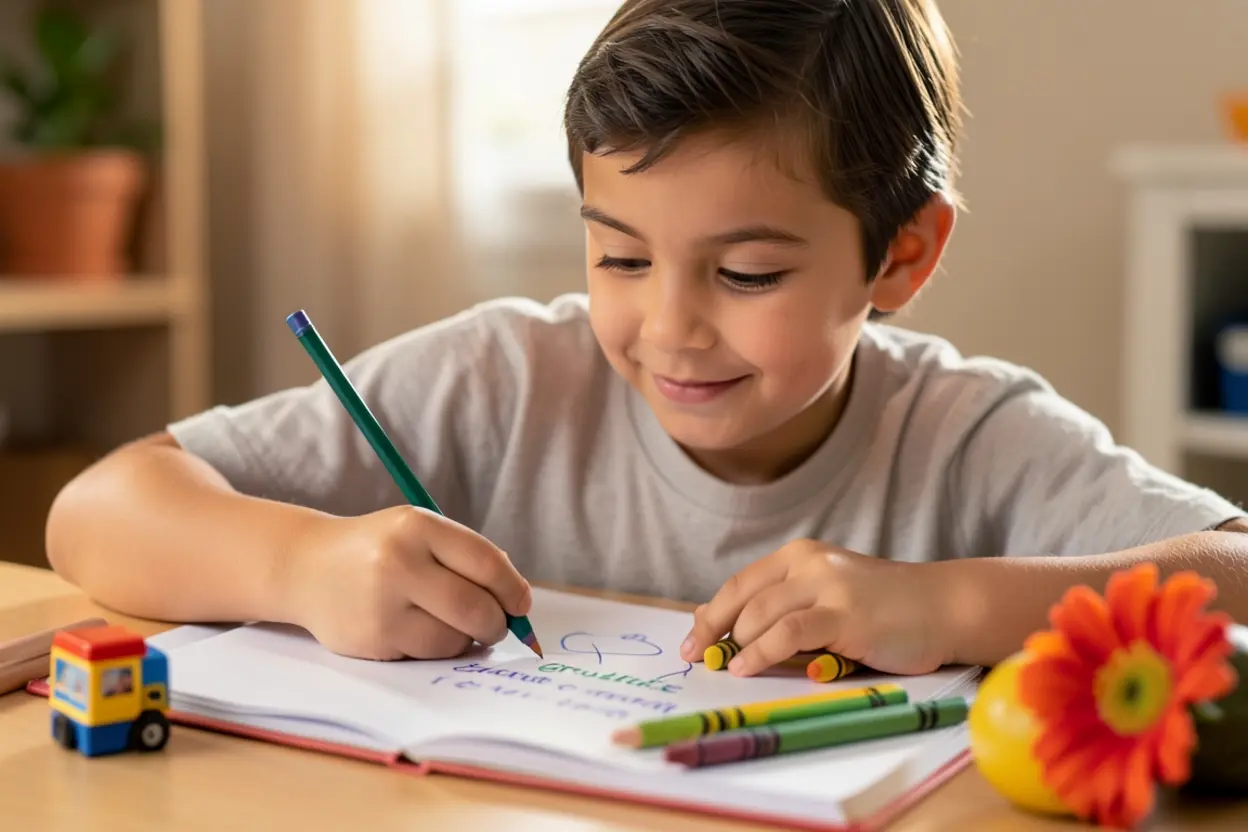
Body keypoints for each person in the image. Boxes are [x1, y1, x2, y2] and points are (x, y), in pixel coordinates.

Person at [45, 0, 1247, 678]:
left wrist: (953, 606)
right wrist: (299, 566)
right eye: (620, 257)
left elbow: (1234, 567)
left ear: (902, 255)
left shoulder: (970, 436)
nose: (668, 326)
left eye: (747, 272)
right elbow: (99, 508)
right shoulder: (504, 378)